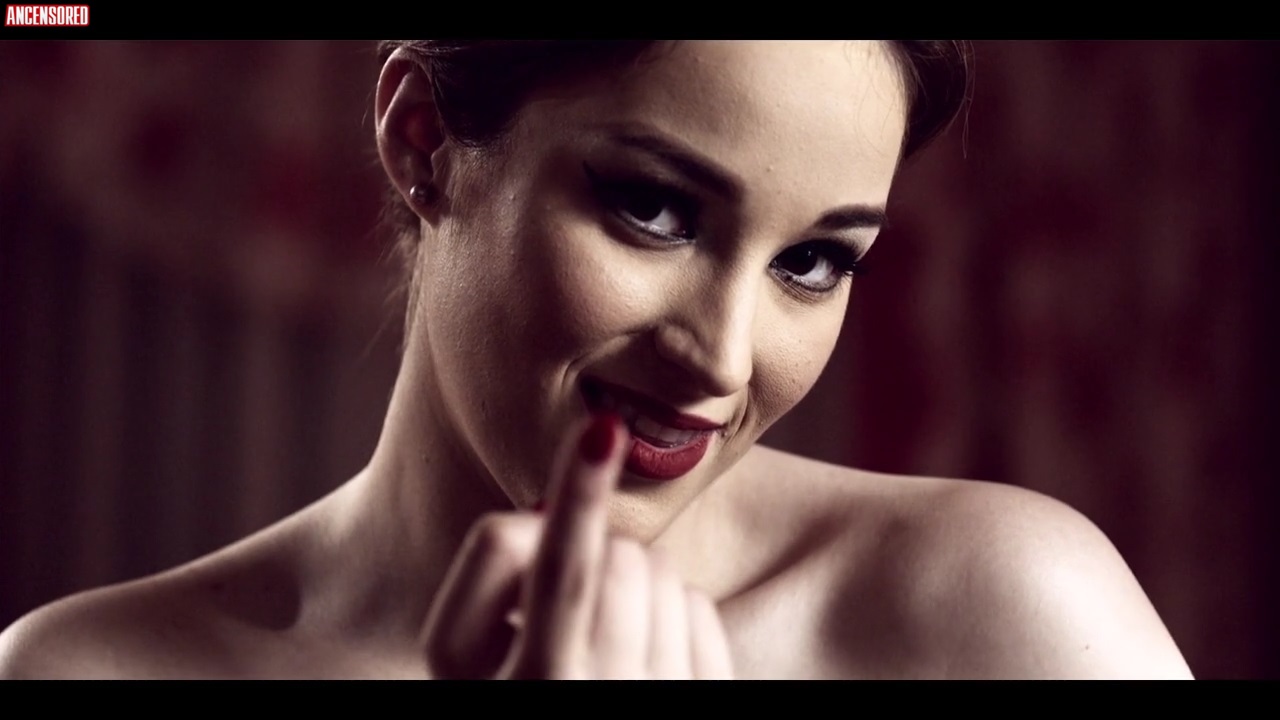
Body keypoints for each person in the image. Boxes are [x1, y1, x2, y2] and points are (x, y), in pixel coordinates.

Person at [0, 40, 1194, 679]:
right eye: (653, 209)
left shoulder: (998, 612)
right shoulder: (89, 672)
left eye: (812, 262)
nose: (718, 359)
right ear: (424, 143)